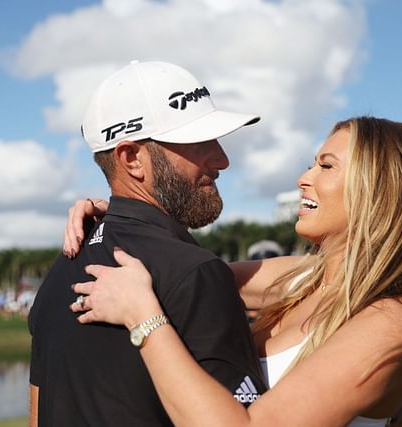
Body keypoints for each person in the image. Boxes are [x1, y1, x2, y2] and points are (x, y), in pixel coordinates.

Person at [64, 116, 402, 426]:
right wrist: (122, 217)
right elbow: (184, 277)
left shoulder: (391, 323)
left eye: (326, 166)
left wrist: (144, 321)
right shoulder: (305, 277)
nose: (304, 178)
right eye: (310, 163)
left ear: (381, 190)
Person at [28, 60, 267, 426]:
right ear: (132, 159)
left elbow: (38, 416)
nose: (222, 159)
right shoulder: (197, 273)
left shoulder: (59, 274)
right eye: (198, 142)